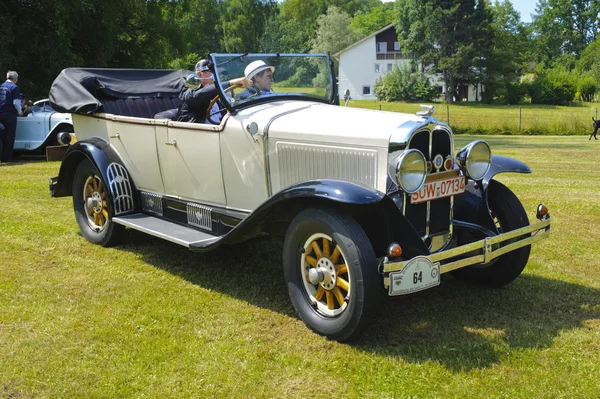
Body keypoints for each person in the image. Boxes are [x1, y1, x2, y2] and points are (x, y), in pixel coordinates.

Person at [176, 59, 251, 124]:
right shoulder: (189, 92)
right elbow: (199, 95)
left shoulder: (216, 94)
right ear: (199, 74)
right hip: (195, 134)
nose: (218, 77)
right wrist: (230, 83)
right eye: (213, 73)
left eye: (219, 74)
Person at [0, 71, 22, 162]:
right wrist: (20, 112)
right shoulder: (14, 87)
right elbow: (16, 102)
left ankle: (1, 157)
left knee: (1, 137)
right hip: (9, 114)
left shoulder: (1, 87)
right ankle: (7, 158)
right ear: (15, 79)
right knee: (9, 136)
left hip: (0, 113)